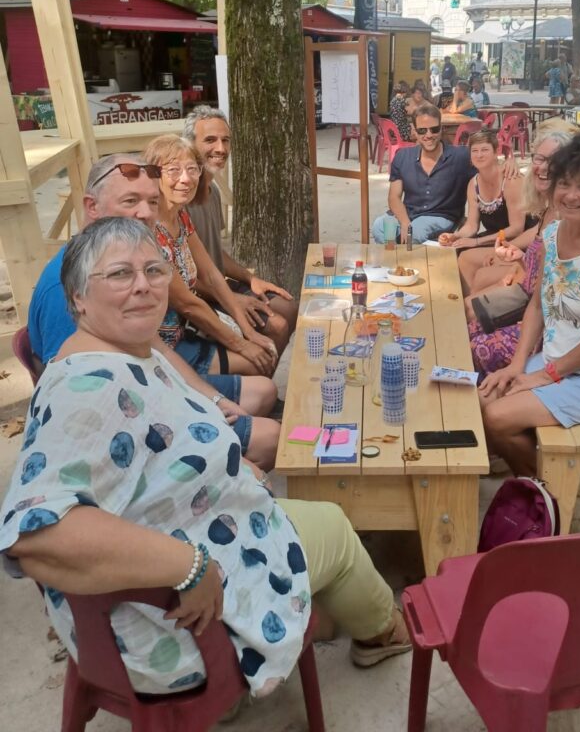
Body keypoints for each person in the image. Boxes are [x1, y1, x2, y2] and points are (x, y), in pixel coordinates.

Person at [1, 218, 411, 701]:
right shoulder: (84, 391)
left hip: (185, 573)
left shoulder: (122, 351)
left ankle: (295, 625)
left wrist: (234, 464)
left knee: (286, 485)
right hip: (162, 630)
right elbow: (34, 534)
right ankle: (382, 634)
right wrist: (187, 566)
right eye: (119, 274)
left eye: (155, 271)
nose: (144, 286)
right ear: (78, 300)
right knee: (337, 530)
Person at [26, 154, 280, 469]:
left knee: (263, 394)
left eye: (152, 202)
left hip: (155, 389)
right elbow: (78, 419)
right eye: (130, 200)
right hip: (132, 428)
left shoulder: (131, 259)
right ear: (92, 207)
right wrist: (214, 443)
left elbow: (154, 346)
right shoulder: (67, 287)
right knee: (271, 437)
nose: (145, 213)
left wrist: (212, 400)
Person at [478, 133, 580, 475]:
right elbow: (537, 304)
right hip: (556, 361)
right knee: (483, 398)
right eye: (564, 183)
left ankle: (546, 489)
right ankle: (534, 472)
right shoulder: (552, 234)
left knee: (495, 415)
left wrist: (544, 376)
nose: (570, 195)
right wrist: (517, 365)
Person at [143, 135, 279, 380]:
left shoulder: (180, 215)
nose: (185, 179)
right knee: (256, 363)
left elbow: (212, 275)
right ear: (154, 176)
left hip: (189, 327)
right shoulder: (150, 232)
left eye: (192, 169)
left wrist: (248, 331)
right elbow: (187, 304)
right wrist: (242, 344)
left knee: (264, 343)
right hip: (166, 345)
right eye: (173, 170)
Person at [184, 106, 297, 357]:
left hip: (217, 285)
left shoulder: (212, 192)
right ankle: (254, 387)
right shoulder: (180, 199)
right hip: (198, 295)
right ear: (190, 145)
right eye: (210, 140)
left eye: (226, 140)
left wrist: (249, 278)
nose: (221, 149)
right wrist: (231, 300)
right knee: (276, 325)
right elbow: (184, 279)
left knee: (289, 307)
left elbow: (215, 254)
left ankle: (259, 379)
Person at [468, 127, 577, 372]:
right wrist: (520, 257)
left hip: (549, 321)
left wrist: (519, 269)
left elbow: (550, 293)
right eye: (539, 159)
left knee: (478, 340)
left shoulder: (568, 215)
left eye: (554, 161)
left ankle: (488, 397)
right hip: (529, 296)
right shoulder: (549, 207)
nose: (544, 167)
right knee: (470, 321)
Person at [437, 130, 527, 292]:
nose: (479, 155)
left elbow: (517, 228)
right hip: (496, 239)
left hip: (518, 242)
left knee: (466, 256)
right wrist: (455, 236)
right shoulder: (473, 184)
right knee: (457, 250)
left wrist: (477, 242)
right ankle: (466, 301)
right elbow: (472, 225)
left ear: (496, 152)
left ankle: (471, 305)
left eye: (485, 150)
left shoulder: (510, 180)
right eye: (475, 151)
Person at [372, 103, 474, 244]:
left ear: (441, 128)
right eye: (422, 131)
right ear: (414, 130)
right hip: (409, 214)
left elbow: (489, 165)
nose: (428, 135)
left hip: (441, 216)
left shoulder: (461, 156)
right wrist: (404, 222)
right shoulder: (403, 156)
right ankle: (398, 261)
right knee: (379, 227)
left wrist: (508, 164)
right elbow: (394, 197)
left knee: (415, 233)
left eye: (434, 129)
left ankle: (404, 260)